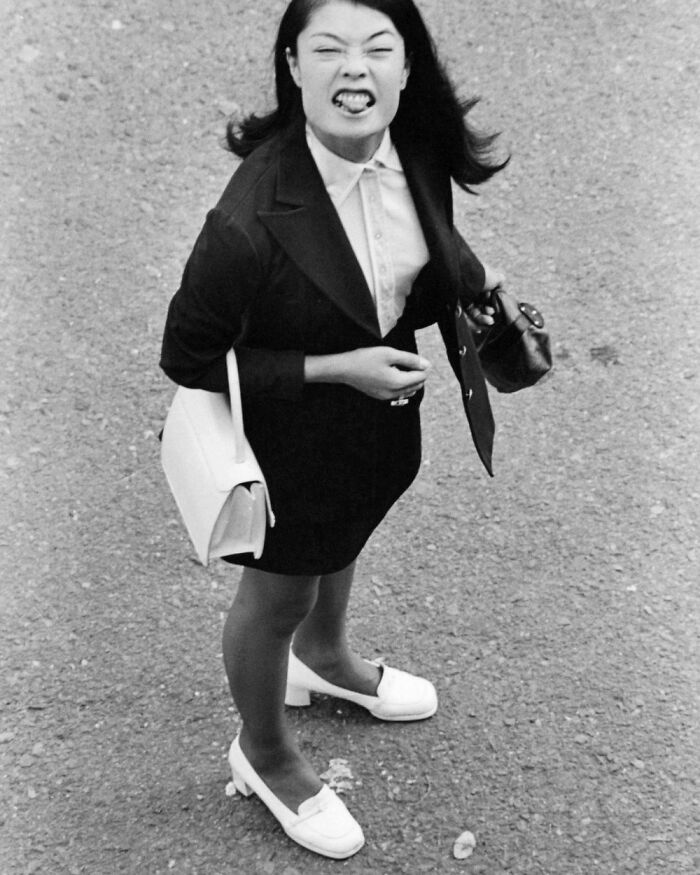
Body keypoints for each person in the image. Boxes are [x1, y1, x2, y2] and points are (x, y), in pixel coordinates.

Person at [160, 0, 507, 859]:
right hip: (285, 444)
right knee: (277, 592)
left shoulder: (413, 149)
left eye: (378, 49)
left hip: (377, 430)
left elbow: (405, 270)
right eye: (330, 50)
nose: (356, 69)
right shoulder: (246, 225)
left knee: (346, 533)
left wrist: (473, 284)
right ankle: (265, 750)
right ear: (293, 67)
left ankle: (326, 659)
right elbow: (188, 357)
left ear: (406, 68)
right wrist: (334, 368)